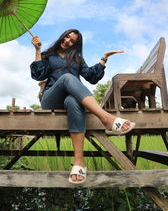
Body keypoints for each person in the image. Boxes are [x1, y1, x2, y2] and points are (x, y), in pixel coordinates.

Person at [30, 29, 135, 184]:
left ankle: (79, 162)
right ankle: (106, 118)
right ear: (62, 36)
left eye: (72, 41)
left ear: (76, 44)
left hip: (69, 101)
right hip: (50, 99)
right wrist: (38, 50)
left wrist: (104, 58)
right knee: (67, 78)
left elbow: (91, 77)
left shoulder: (77, 58)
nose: (68, 41)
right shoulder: (48, 55)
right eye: (67, 37)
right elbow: (38, 75)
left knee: (73, 100)